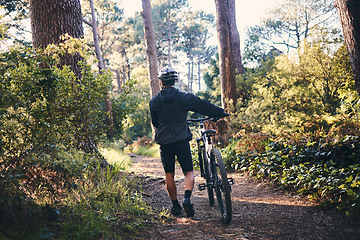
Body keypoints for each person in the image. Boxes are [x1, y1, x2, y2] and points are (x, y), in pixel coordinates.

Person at [149, 66, 228, 217]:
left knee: (169, 175)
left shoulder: (154, 102)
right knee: (189, 172)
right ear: (175, 81)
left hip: (165, 142)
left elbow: (155, 123)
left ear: (161, 82)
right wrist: (219, 112)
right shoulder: (183, 97)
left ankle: (175, 206)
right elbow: (203, 105)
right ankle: (186, 199)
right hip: (181, 140)